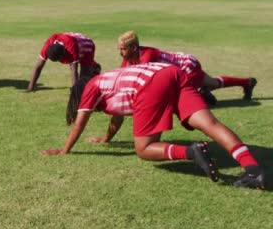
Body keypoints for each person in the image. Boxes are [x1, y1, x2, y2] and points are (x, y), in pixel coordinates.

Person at [41, 63, 265, 190]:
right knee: (210, 124)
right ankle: (254, 171)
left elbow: (79, 123)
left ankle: (191, 151)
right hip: (171, 72)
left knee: (144, 148)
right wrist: (105, 139)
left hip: (151, 84)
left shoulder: (91, 86)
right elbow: (117, 117)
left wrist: (64, 150)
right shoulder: (109, 81)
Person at [117, 31, 257, 105]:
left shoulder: (147, 56)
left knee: (182, 95)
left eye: (123, 49)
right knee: (214, 83)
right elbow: (122, 76)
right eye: (119, 49)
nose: (120, 52)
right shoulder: (129, 58)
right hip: (183, 67)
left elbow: (144, 82)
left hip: (187, 65)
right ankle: (248, 82)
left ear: (134, 48)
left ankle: (202, 92)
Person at [27, 32, 97, 92]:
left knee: (84, 75)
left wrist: (74, 92)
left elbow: (74, 71)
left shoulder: (71, 48)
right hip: (72, 39)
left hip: (86, 44)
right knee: (83, 79)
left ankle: (95, 68)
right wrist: (30, 88)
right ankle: (94, 67)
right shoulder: (49, 43)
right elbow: (39, 66)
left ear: (64, 53)